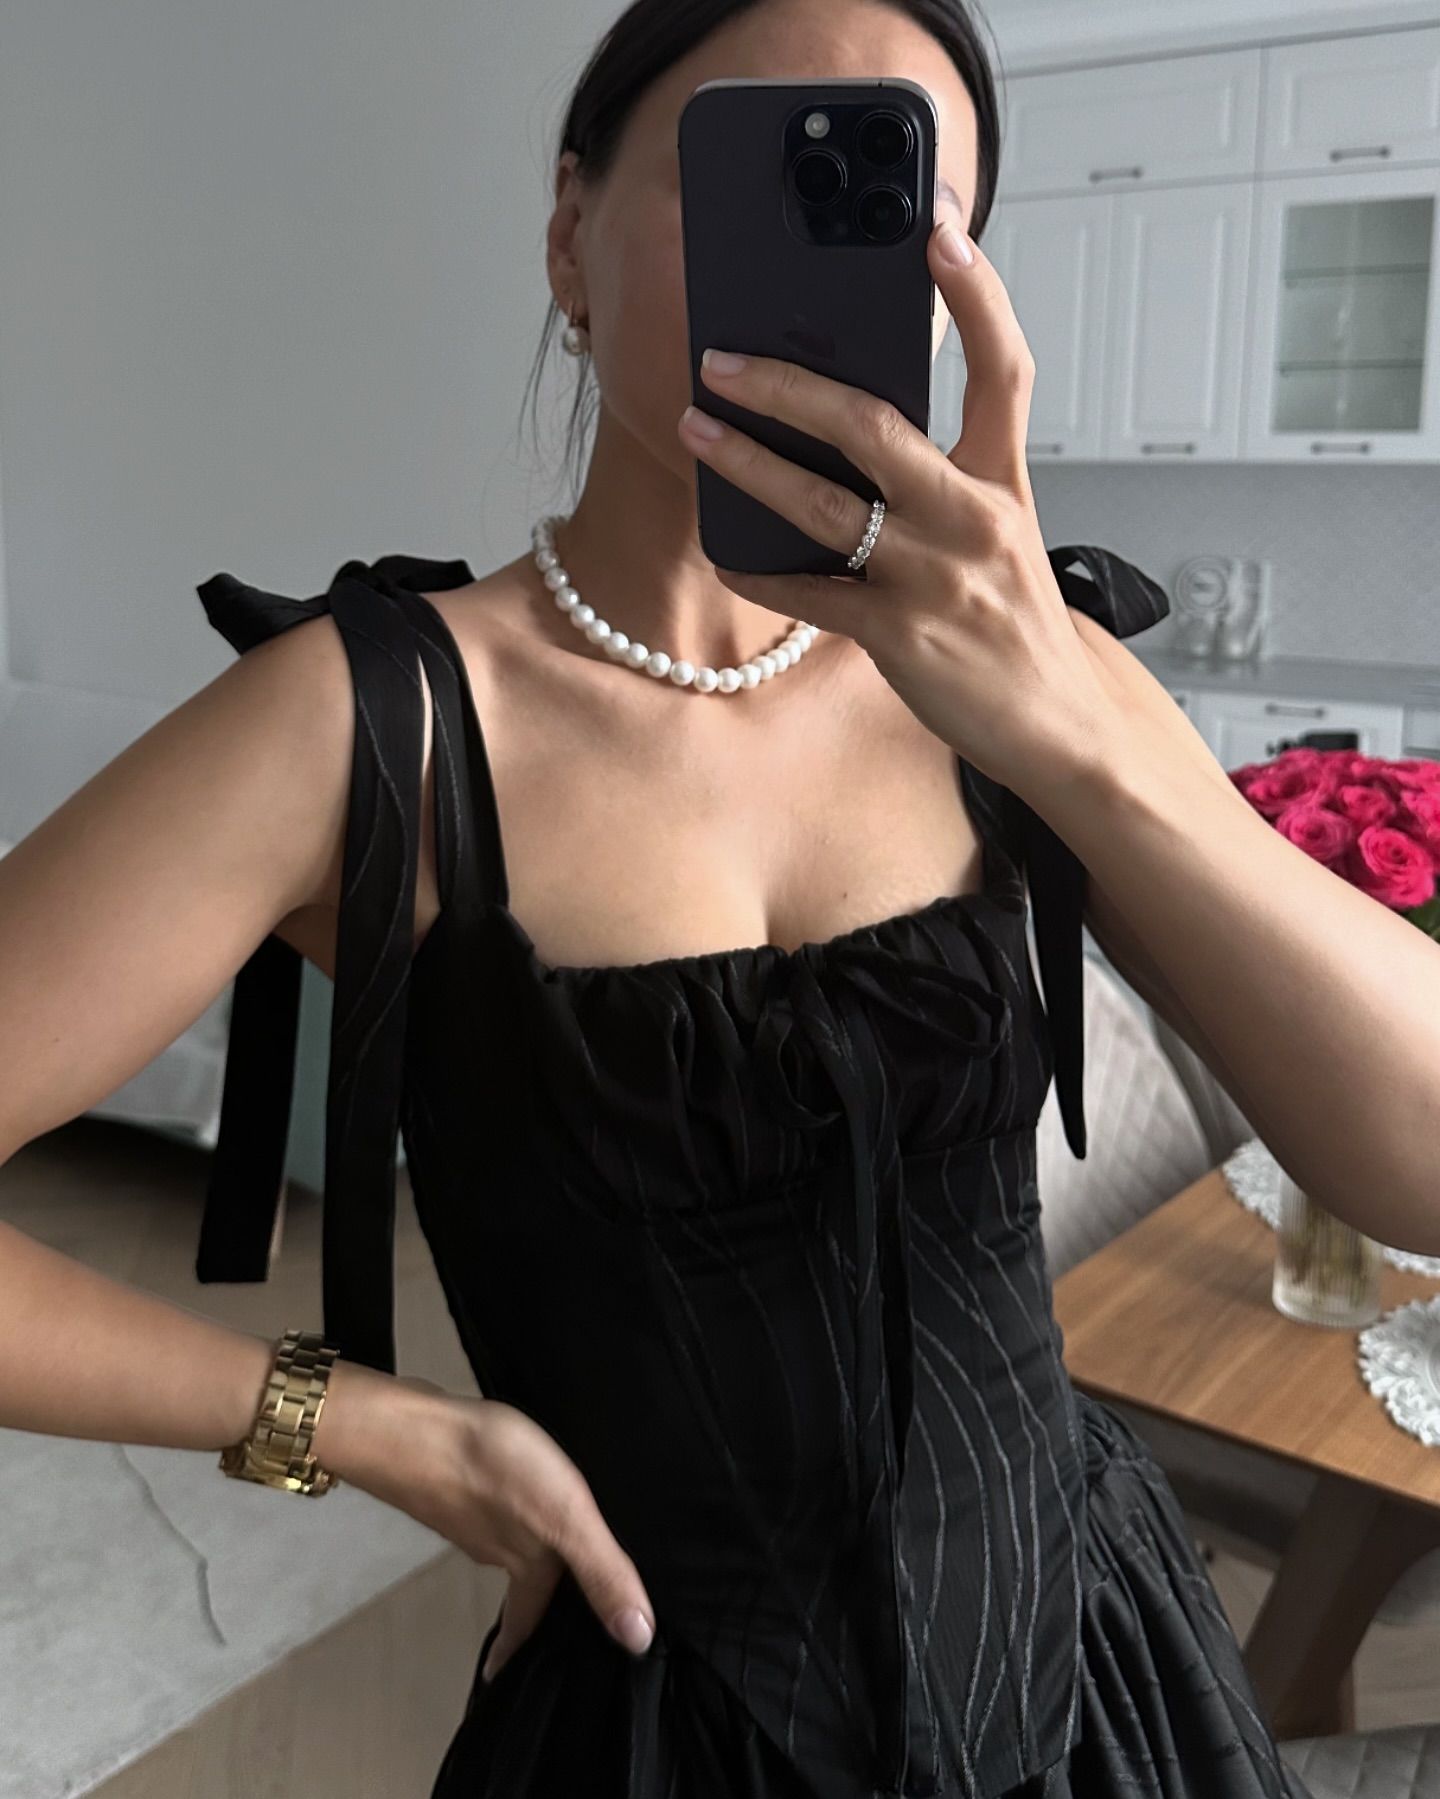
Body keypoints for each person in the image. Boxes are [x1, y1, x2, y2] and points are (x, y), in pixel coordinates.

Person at [10, 0, 1440, 1791]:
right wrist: (362, 1427)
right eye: (753, 165)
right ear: (569, 234)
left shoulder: (1034, 683)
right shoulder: (365, 726)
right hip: (654, 1737)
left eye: (900, 208)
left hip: (1092, 1682)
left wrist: (1075, 730)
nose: (822, 252)